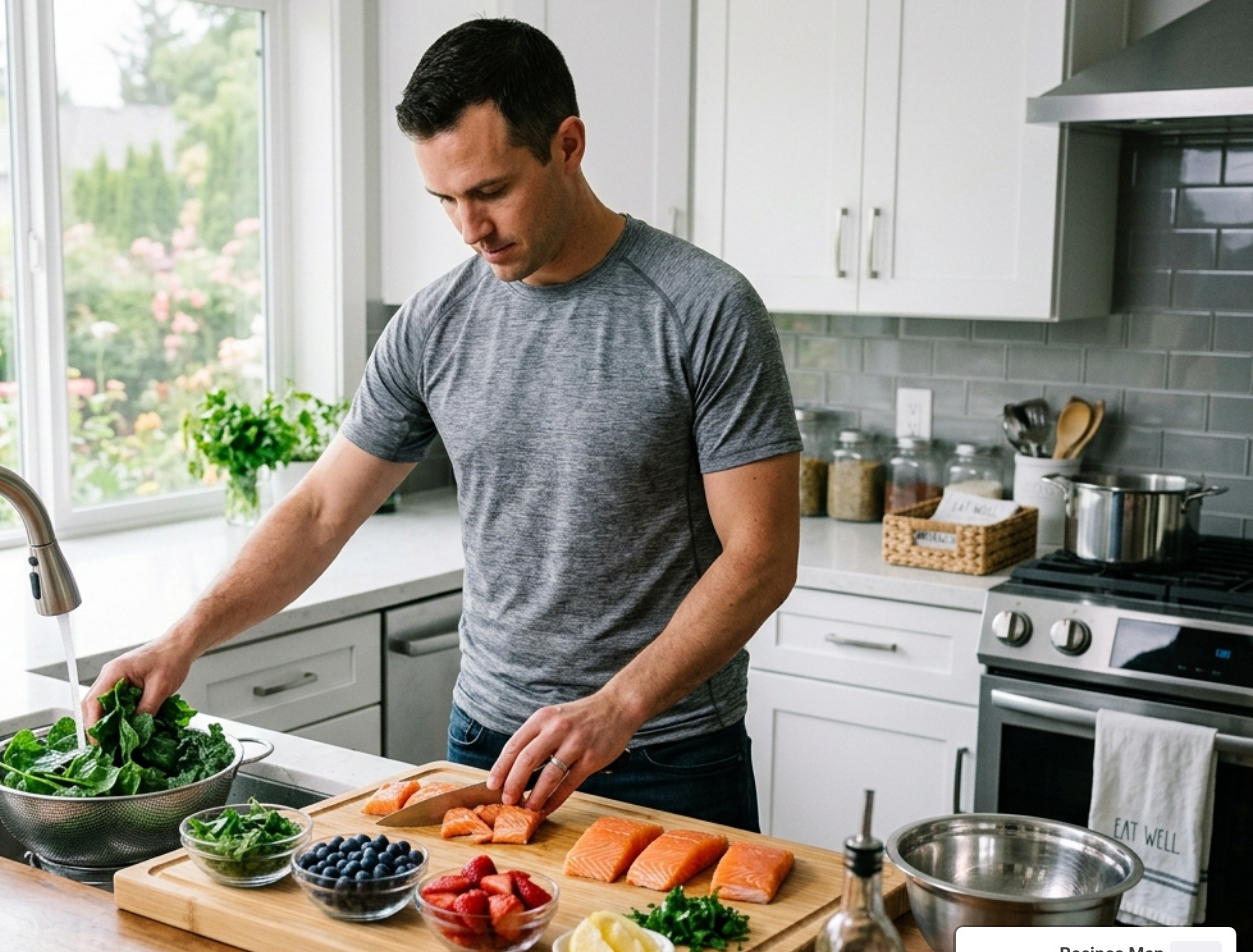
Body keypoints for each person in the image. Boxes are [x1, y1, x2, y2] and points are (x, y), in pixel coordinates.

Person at [85, 17, 799, 830]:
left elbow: (763, 556)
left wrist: (616, 707)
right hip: (485, 746)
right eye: (446, 200)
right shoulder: (434, 322)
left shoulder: (704, 309)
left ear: (568, 145)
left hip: (667, 754)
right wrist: (179, 642)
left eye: (491, 191)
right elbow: (321, 511)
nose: (470, 229)